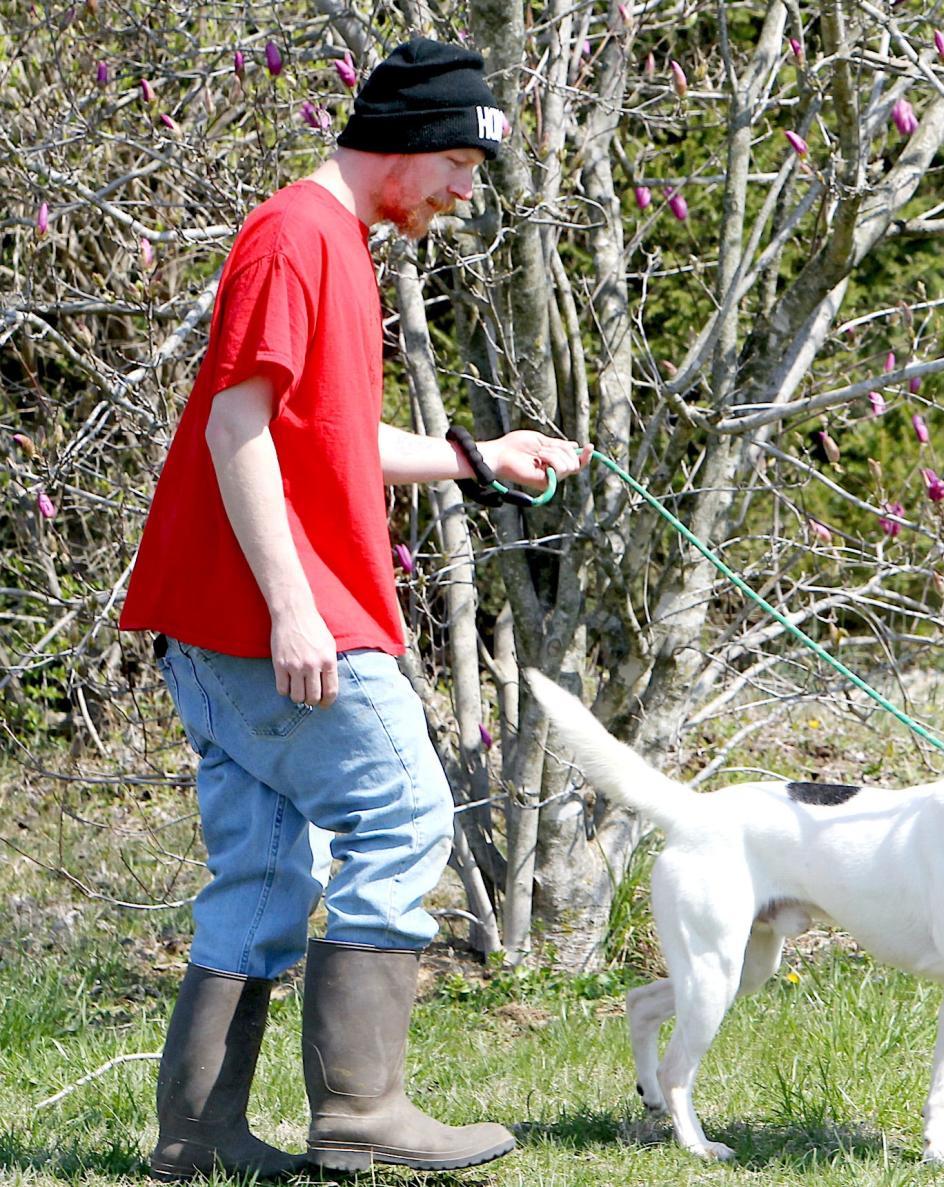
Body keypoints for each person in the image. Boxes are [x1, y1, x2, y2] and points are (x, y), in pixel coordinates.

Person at [120, 36, 590, 1179]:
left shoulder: (335, 242)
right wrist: (294, 610)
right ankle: (365, 1109)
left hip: (215, 623)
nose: (467, 194)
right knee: (407, 809)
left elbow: (316, 440)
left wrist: (475, 458)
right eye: (463, 169)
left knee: (268, 868)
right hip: (263, 619)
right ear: (416, 141)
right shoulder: (297, 239)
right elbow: (236, 428)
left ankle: (199, 1135)